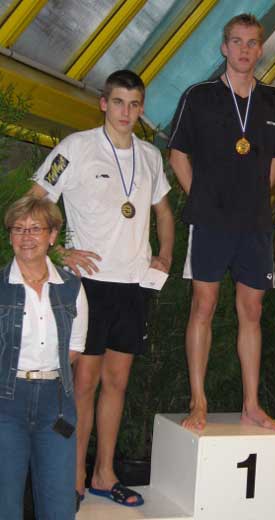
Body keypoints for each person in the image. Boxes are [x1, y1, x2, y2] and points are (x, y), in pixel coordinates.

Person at [29, 70, 174, 507]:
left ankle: (104, 474)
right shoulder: (76, 148)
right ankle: (72, 477)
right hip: (88, 285)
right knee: (85, 383)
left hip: (133, 285)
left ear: (141, 108)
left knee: (117, 381)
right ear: (103, 103)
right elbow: (35, 202)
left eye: (134, 105)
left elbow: (164, 212)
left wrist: (165, 255)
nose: (126, 112)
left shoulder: (150, 156)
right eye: (118, 102)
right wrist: (58, 252)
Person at [168, 13, 275, 430]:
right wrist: (204, 200)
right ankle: (198, 401)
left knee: (252, 310)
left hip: (254, 224)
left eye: (252, 42)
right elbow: (178, 155)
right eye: (236, 41)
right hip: (209, 222)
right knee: (203, 305)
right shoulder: (199, 96)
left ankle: (251, 404)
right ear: (224, 47)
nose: (244, 49)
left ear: (261, 49)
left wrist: (252, 199)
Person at [0, 195, 88, 518]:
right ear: (10, 236)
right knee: (4, 502)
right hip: (5, 402)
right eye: (18, 228)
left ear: (52, 236)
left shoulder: (71, 287)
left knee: (59, 504)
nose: (26, 236)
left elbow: (74, 347)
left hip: (56, 404)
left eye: (35, 228)